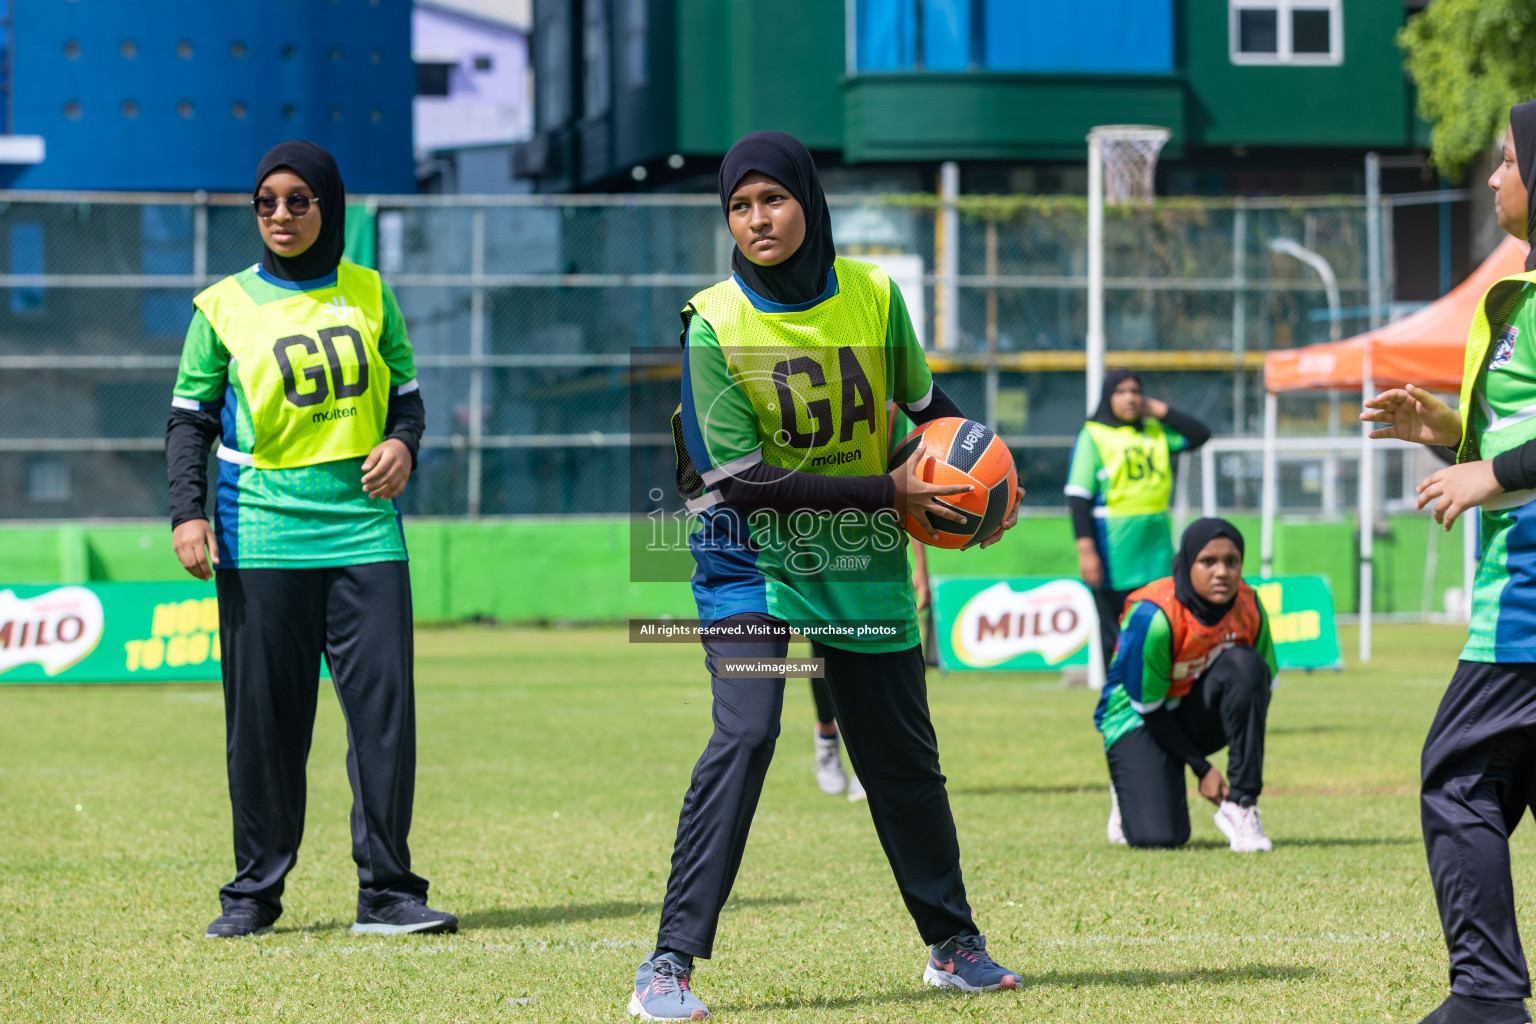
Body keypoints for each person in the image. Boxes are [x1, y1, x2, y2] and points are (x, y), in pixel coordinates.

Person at [629, 131, 1022, 1021]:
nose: (758, 219)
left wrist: (984, 476)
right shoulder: (713, 323)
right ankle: (667, 967)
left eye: (772, 199)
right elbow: (741, 482)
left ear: (807, 199)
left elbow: (927, 411)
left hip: (858, 561)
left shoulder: (875, 296)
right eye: (739, 205)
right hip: (748, 562)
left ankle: (952, 945)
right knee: (749, 733)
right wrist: (890, 490)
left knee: (901, 761)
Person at [164, 141, 456, 939]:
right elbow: (190, 423)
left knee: (384, 722)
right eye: (266, 202)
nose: (282, 215)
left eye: (299, 200)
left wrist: (404, 444)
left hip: (365, 533)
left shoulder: (370, 293)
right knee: (264, 726)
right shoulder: (220, 306)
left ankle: (389, 893)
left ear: (330, 205)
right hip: (260, 533)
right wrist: (189, 514)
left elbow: (408, 400)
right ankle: (253, 896)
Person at [1362, 101, 1536, 1024]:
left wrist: (1490, 471)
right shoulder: (1514, 296)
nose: (1498, 176)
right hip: (1517, 583)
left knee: (1458, 779)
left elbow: (1514, 464)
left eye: (1510, 161)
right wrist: (1450, 434)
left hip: (1528, 604)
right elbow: (1511, 440)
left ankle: (1487, 998)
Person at [1092, 518, 1276, 852]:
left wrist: (1238, 776)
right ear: (1187, 562)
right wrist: (1202, 767)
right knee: (1160, 837)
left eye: (1232, 562)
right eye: (1208, 561)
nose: (1222, 572)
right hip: (1137, 720)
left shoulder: (1249, 606)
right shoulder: (1155, 614)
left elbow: (1261, 689)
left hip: (1190, 711)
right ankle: (1129, 785)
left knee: (1247, 667)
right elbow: (1147, 707)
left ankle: (1242, 806)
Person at [1066, 371, 1211, 669]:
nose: (1130, 397)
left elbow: (1200, 435)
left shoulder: (1155, 431)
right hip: (1115, 553)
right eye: (1120, 391)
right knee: (1118, 639)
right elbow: (1078, 496)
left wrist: (1161, 410)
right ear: (1108, 397)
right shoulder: (1093, 435)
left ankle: (1158, 708)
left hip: (1156, 551)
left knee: (1163, 631)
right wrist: (1086, 550)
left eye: (1135, 391)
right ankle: (1121, 710)